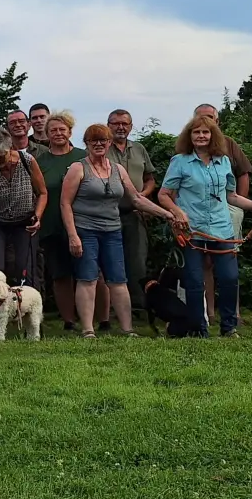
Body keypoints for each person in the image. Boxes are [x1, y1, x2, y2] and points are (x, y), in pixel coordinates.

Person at [158, 114, 252, 338]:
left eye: (205, 132)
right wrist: (178, 212)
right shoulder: (180, 161)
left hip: (222, 229)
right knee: (194, 281)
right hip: (192, 230)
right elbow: (164, 194)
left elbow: (231, 196)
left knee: (229, 277)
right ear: (190, 136)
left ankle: (228, 327)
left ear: (213, 135)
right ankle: (198, 329)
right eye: (197, 132)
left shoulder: (223, 161)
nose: (201, 136)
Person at [61, 123, 181, 338]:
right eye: (93, 140)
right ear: (86, 144)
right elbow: (65, 204)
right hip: (85, 230)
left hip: (112, 231)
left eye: (103, 140)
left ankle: (128, 329)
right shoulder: (78, 168)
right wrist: (73, 235)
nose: (98, 144)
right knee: (87, 279)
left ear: (109, 143)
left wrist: (167, 214)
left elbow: (136, 198)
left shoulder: (118, 169)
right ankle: (88, 330)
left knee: (118, 279)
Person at [0, 128, 46, 338]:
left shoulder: (28, 161)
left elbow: (42, 193)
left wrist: (37, 216)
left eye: (0, 157)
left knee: (27, 269)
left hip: (24, 222)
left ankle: (32, 325)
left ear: (10, 148)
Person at [193, 103, 252, 324]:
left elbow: (243, 173)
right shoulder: (187, 150)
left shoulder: (229, 145)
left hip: (227, 209)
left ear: (217, 122)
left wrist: (238, 206)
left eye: (210, 118)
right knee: (203, 263)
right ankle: (208, 311)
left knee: (228, 261)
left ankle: (233, 313)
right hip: (198, 215)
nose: (205, 123)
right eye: (201, 119)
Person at [105, 109, 158, 321]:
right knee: (110, 261)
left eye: (124, 124)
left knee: (137, 261)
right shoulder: (102, 148)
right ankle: (111, 310)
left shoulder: (139, 149)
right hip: (109, 213)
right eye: (115, 123)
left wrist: (141, 196)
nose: (120, 127)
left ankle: (138, 308)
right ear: (108, 125)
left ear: (131, 126)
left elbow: (150, 179)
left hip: (136, 213)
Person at [35, 112, 86, 328]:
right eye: (53, 130)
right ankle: (69, 320)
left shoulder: (84, 157)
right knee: (60, 274)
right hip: (53, 224)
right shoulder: (39, 162)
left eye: (62, 129)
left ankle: (96, 319)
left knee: (91, 273)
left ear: (70, 132)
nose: (58, 133)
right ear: (46, 134)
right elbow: (36, 192)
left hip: (84, 223)